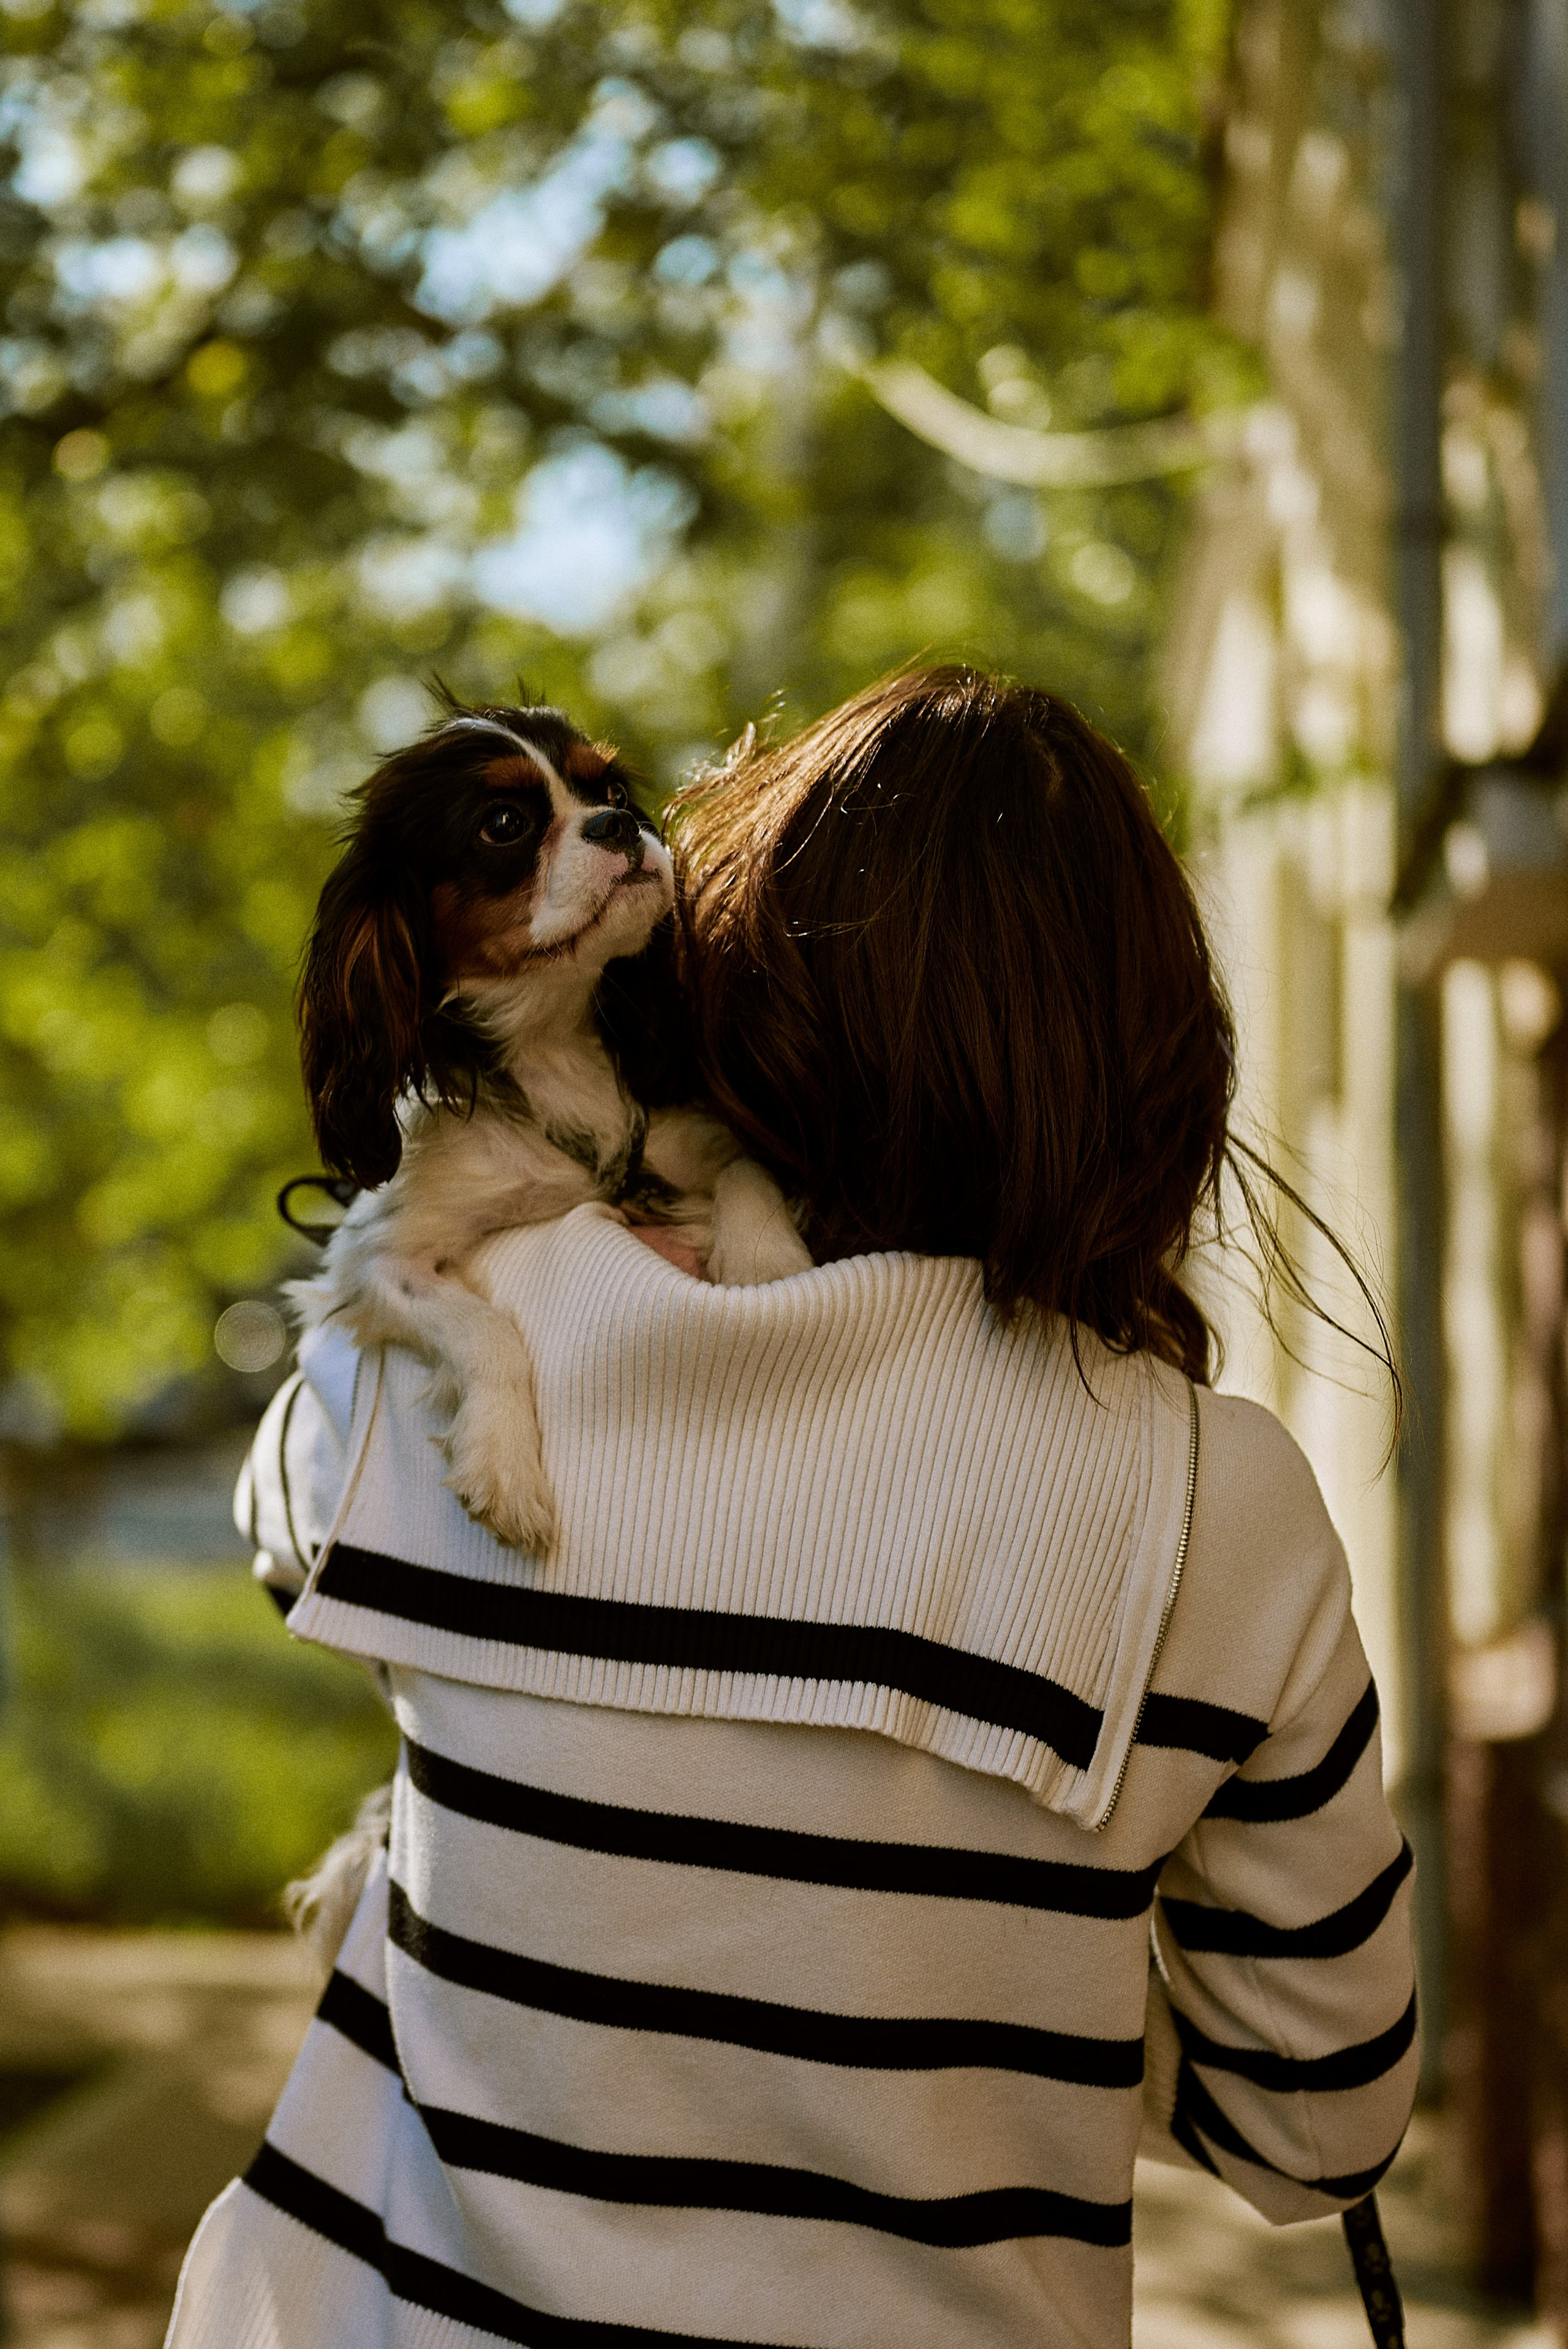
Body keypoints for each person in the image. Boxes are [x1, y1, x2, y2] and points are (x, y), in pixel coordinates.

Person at [167, 666, 1416, 2349]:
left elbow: (285, 1540)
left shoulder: (411, 1377)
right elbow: (1320, 2132)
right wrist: (1026, 1962)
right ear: (1151, 1052)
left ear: (749, 981)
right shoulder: (1219, 1510)